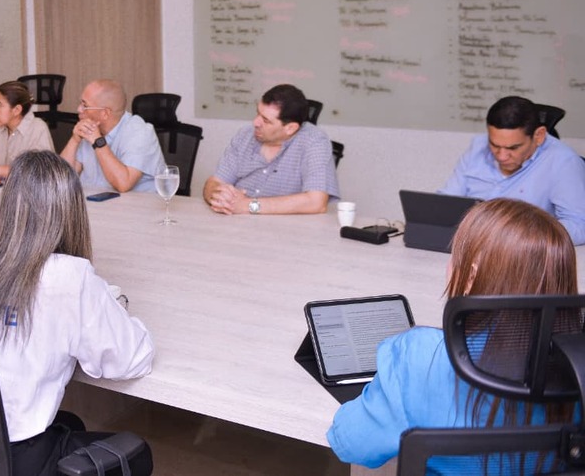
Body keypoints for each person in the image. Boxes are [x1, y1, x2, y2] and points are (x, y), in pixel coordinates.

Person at [0, 150, 154, 475]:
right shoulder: (70, 277)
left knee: (70, 423)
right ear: (71, 211)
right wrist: (113, 308)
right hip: (12, 454)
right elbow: (131, 359)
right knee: (139, 454)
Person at [327, 198, 578, 472]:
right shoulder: (577, 368)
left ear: (471, 277)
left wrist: (384, 388)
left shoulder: (420, 357)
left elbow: (350, 443)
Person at [441, 95, 585, 245]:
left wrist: (523, 235)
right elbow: (446, 202)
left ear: (539, 136)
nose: (502, 156)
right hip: (472, 243)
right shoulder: (478, 146)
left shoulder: (563, 161)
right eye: (494, 145)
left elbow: (579, 225)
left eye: (513, 148)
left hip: (522, 250)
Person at [203, 84, 338, 215]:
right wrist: (219, 197)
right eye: (258, 113)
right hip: (233, 220)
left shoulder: (314, 141)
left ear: (290, 128)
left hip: (284, 227)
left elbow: (316, 202)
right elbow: (214, 182)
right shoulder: (245, 134)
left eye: (266, 120)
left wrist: (248, 205)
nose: (255, 123)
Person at [59, 79, 165, 193]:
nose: (79, 109)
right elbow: (60, 180)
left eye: (85, 105)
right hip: (94, 202)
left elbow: (123, 184)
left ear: (105, 113)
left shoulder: (140, 132)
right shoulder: (89, 129)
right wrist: (74, 140)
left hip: (137, 203)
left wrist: (98, 141)